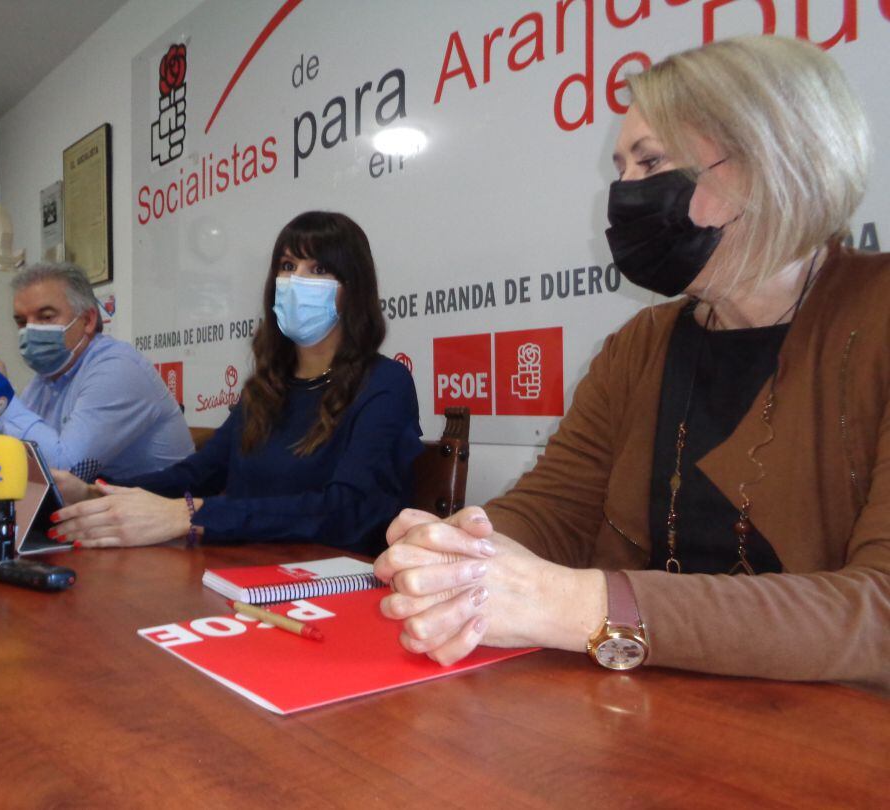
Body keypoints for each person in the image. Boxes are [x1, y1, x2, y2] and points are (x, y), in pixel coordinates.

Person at [375, 36, 889, 692]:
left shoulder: (875, 318)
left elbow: (879, 614)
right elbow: (555, 508)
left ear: (770, 160)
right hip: (640, 726)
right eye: (621, 169)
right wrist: (460, 554)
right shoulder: (639, 345)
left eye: (651, 163)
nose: (623, 195)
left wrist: (582, 607)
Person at [50, 211, 422, 556]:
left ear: (353, 288)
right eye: (288, 266)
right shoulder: (267, 386)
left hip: (332, 586)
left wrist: (190, 516)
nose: (296, 281)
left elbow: (350, 511)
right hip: (242, 570)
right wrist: (95, 493)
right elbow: (199, 474)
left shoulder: (385, 384)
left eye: (319, 268)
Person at [0, 263, 193, 481]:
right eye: (21, 322)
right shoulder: (45, 380)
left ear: (87, 320)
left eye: (46, 317)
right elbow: (12, 457)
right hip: (99, 518)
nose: (30, 330)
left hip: (164, 522)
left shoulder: (117, 368)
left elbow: (64, 472)